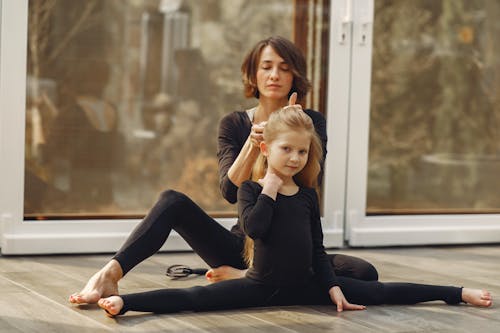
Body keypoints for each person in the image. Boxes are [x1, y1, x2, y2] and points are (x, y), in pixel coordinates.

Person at [69, 35, 377, 305]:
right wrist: (253, 145)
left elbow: (311, 181)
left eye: (285, 68)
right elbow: (229, 193)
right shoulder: (234, 123)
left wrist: (289, 135)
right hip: (244, 243)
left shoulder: (311, 121)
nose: (275, 75)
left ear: (295, 76)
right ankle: (110, 273)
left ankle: (246, 278)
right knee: (172, 201)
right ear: (253, 75)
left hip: (294, 247)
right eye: (267, 66)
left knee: (364, 273)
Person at [97, 107, 492, 316]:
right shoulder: (251, 189)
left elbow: (318, 251)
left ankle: (458, 293)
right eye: (287, 149)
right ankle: (127, 301)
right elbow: (256, 227)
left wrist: (333, 286)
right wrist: (267, 188)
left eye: (302, 152)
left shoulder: (306, 197)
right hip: (258, 285)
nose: (296, 158)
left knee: (380, 291)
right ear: (268, 150)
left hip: (308, 284)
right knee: (197, 298)